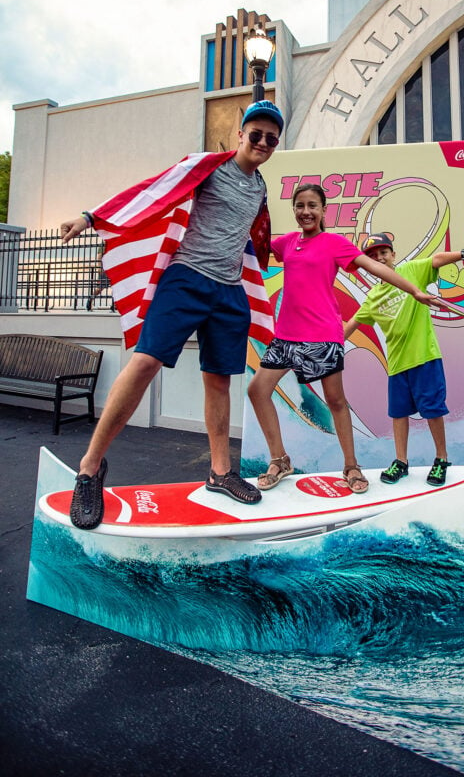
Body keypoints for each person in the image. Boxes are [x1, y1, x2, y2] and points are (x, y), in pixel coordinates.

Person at [60, 100, 284, 529]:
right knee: (144, 363)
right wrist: (91, 217)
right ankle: (89, 468)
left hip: (230, 290)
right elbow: (153, 190)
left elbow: (256, 237)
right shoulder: (208, 167)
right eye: (255, 135)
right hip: (186, 278)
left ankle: (220, 472)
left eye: (270, 139)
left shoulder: (259, 188)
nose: (262, 143)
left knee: (220, 381)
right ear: (240, 135)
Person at [247, 184, 438, 494]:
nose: (306, 211)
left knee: (335, 401)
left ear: (323, 210)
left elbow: (374, 266)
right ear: (294, 210)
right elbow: (256, 244)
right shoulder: (287, 244)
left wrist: (413, 290)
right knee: (257, 390)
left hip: (322, 334)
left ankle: (351, 465)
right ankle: (280, 460)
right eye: (300, 206)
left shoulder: (333, 243)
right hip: (286, 336)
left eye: (312, 205)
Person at [343, 233, 464, 486]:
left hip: (424, 357)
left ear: (393, 255)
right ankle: (401, 462)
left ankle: (441, 459)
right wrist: (329, 344)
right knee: (398, 414)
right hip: (396, 364)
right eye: (372, 257)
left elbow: (436, 260)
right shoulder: (373, 297)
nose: (379, 259)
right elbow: (353, 323)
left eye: (383, 253)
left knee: (433, 410)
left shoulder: (411, 270)